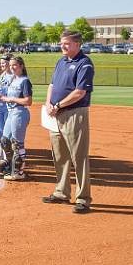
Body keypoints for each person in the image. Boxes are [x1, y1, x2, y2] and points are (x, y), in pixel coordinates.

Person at [42, 31, 95, 214]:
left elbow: (80, 92)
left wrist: (57, 105)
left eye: (66, 43)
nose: (62, 46)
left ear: (77, 44)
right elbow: (52, 85)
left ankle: (83, 198)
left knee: (78, 157)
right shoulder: (61, 61)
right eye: (61, 43)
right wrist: (49, 103)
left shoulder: (84, 63)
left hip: (74, 114)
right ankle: (61, 192)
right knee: (60, 156)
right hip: (56, 115)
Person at [0, 57, 33, 180]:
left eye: (15, 65)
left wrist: (11, 99)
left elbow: (28, 101)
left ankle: (19, 171)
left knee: (17, 144)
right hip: (11, 113)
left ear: (21, 66)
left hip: (20, 112)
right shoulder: (13, 79)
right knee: (4, 140)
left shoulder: (24, 81)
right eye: (11, 65)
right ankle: (11, 166)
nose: (12, 67)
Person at [0, 55, 14, 173]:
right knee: (0, 133)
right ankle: (4, 158)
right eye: (1, 63)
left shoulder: (14, 76)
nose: (2, 65)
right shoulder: (1, 76)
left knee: (8, 135)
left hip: (8, 108)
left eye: (4, 62)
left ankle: (11, 160)